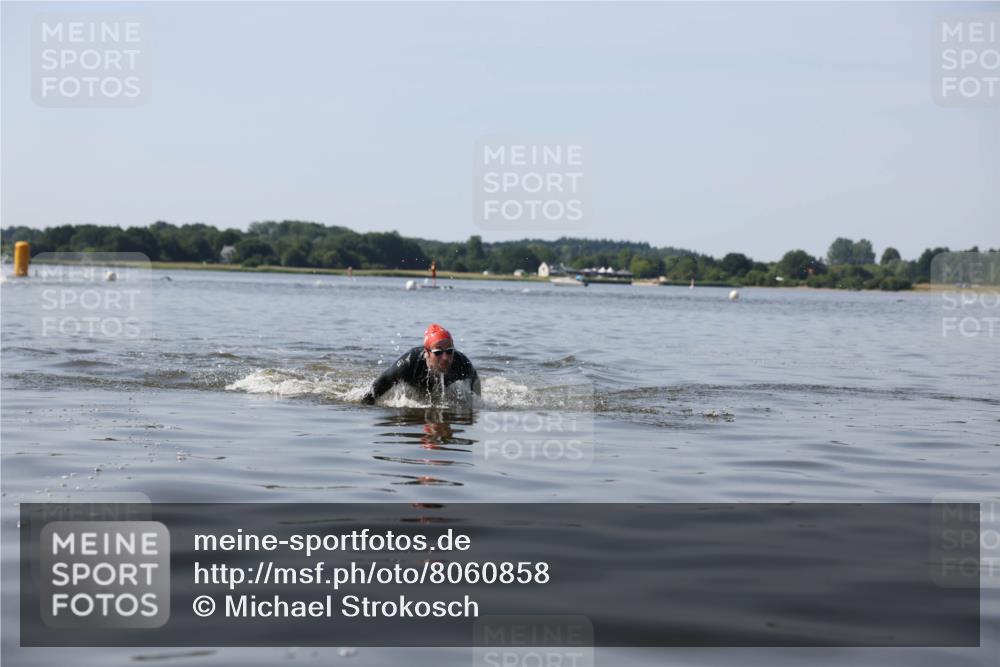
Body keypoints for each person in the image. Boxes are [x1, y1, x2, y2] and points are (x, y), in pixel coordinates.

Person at [361, 324, 480, 405]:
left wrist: (474, 405)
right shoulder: (408, 364)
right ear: (427, 353)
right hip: (415, 386)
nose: (445, 358)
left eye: (449, 351)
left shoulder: (461, 363)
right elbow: (373, 393)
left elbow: (475, 382)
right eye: (438, 352)